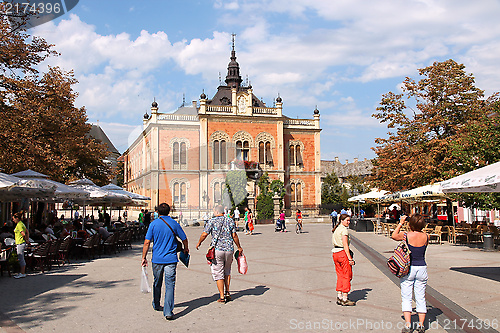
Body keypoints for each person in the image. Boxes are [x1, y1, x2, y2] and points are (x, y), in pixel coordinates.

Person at [141, 203, 189, 320]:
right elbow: (184, 238)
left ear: (158, 212)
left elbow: (147, 242)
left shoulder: (153, 224)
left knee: (157, 282)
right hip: (171, 259)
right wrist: (186, 248)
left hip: (157, 259)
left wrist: (143, 257)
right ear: (169, 211)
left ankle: (156, 303)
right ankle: (168, 311)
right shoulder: (174, 223)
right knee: (170, 285)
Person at [196, 205, 243, 303]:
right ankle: (227, 292)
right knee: (227, 271)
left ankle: (222, 296)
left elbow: (205, 234)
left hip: (217, 250)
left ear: (217, 211)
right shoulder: (230, 220)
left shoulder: (212, 221)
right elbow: (234, 235)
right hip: (229, 249)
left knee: (218, 272)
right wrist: (239, 246)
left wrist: (199, 242)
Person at [391, 214, 428, 333]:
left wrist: (401, 223)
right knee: (420, 297)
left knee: (407, 297)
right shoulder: (426, 236)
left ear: (410, 224)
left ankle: (408, 325)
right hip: (422, 267)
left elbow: (394, 236)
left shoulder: (406, 235)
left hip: (408, 268)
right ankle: (421, 325)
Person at [331, 214, 356, 306]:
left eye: (349, 221)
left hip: (335, 253)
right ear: (342, 220)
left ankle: (339, 295)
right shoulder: (344, 230)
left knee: (340, 274)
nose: (349, 222)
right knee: (346, 275)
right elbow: (345, 245)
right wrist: (350, 259)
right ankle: (345, 298)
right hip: (342, 253)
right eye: (347, 220)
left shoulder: (337, 229)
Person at [13, 212, 29, 279]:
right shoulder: (22, 224)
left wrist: (26, 240)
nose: (13, 220)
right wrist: (27, 240)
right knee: (21, 257)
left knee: (20, 258)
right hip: (21, 242)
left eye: (14, 219)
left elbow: (24, 234)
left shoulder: (19, 225)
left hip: (20, 243)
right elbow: (27, 232)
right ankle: (22, 272)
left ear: (17, 218)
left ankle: (22, 273)